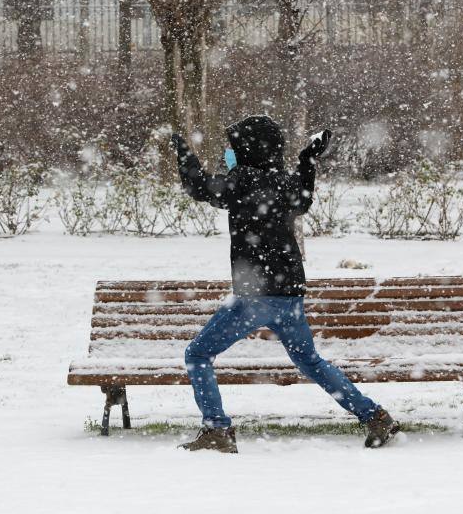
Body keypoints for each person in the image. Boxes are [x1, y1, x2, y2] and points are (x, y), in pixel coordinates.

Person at [170, 115, 399, 453]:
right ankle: (374, 416)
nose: (230, 153)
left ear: (247, 149)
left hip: (255, 297)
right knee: (310, 362)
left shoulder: (242, 180)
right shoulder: (283, 183)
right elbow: (304, 199)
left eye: (234, 148)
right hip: (289, 294)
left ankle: (217, 429)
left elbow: (200, 187)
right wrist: (308, 160)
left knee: (198, 354)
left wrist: (183, 153)